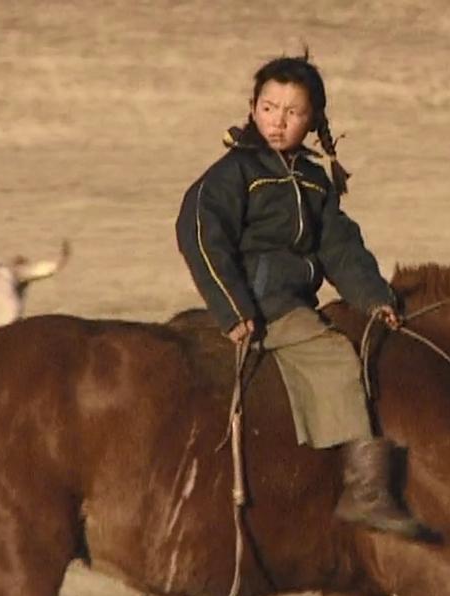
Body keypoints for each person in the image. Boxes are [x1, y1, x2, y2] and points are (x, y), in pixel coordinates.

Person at [175, 51, 423, 539]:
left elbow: (340, 248)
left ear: (313, 120)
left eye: (293, 112)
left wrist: (375, 298)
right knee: (332, 355)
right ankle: (365, 491)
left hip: (291, 300)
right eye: (269, 108)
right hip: (266, 304)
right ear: (252, 107)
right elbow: (200, 231)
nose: (278, 121)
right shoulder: (234, 173)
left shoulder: (312, 179)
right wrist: (233, 308)